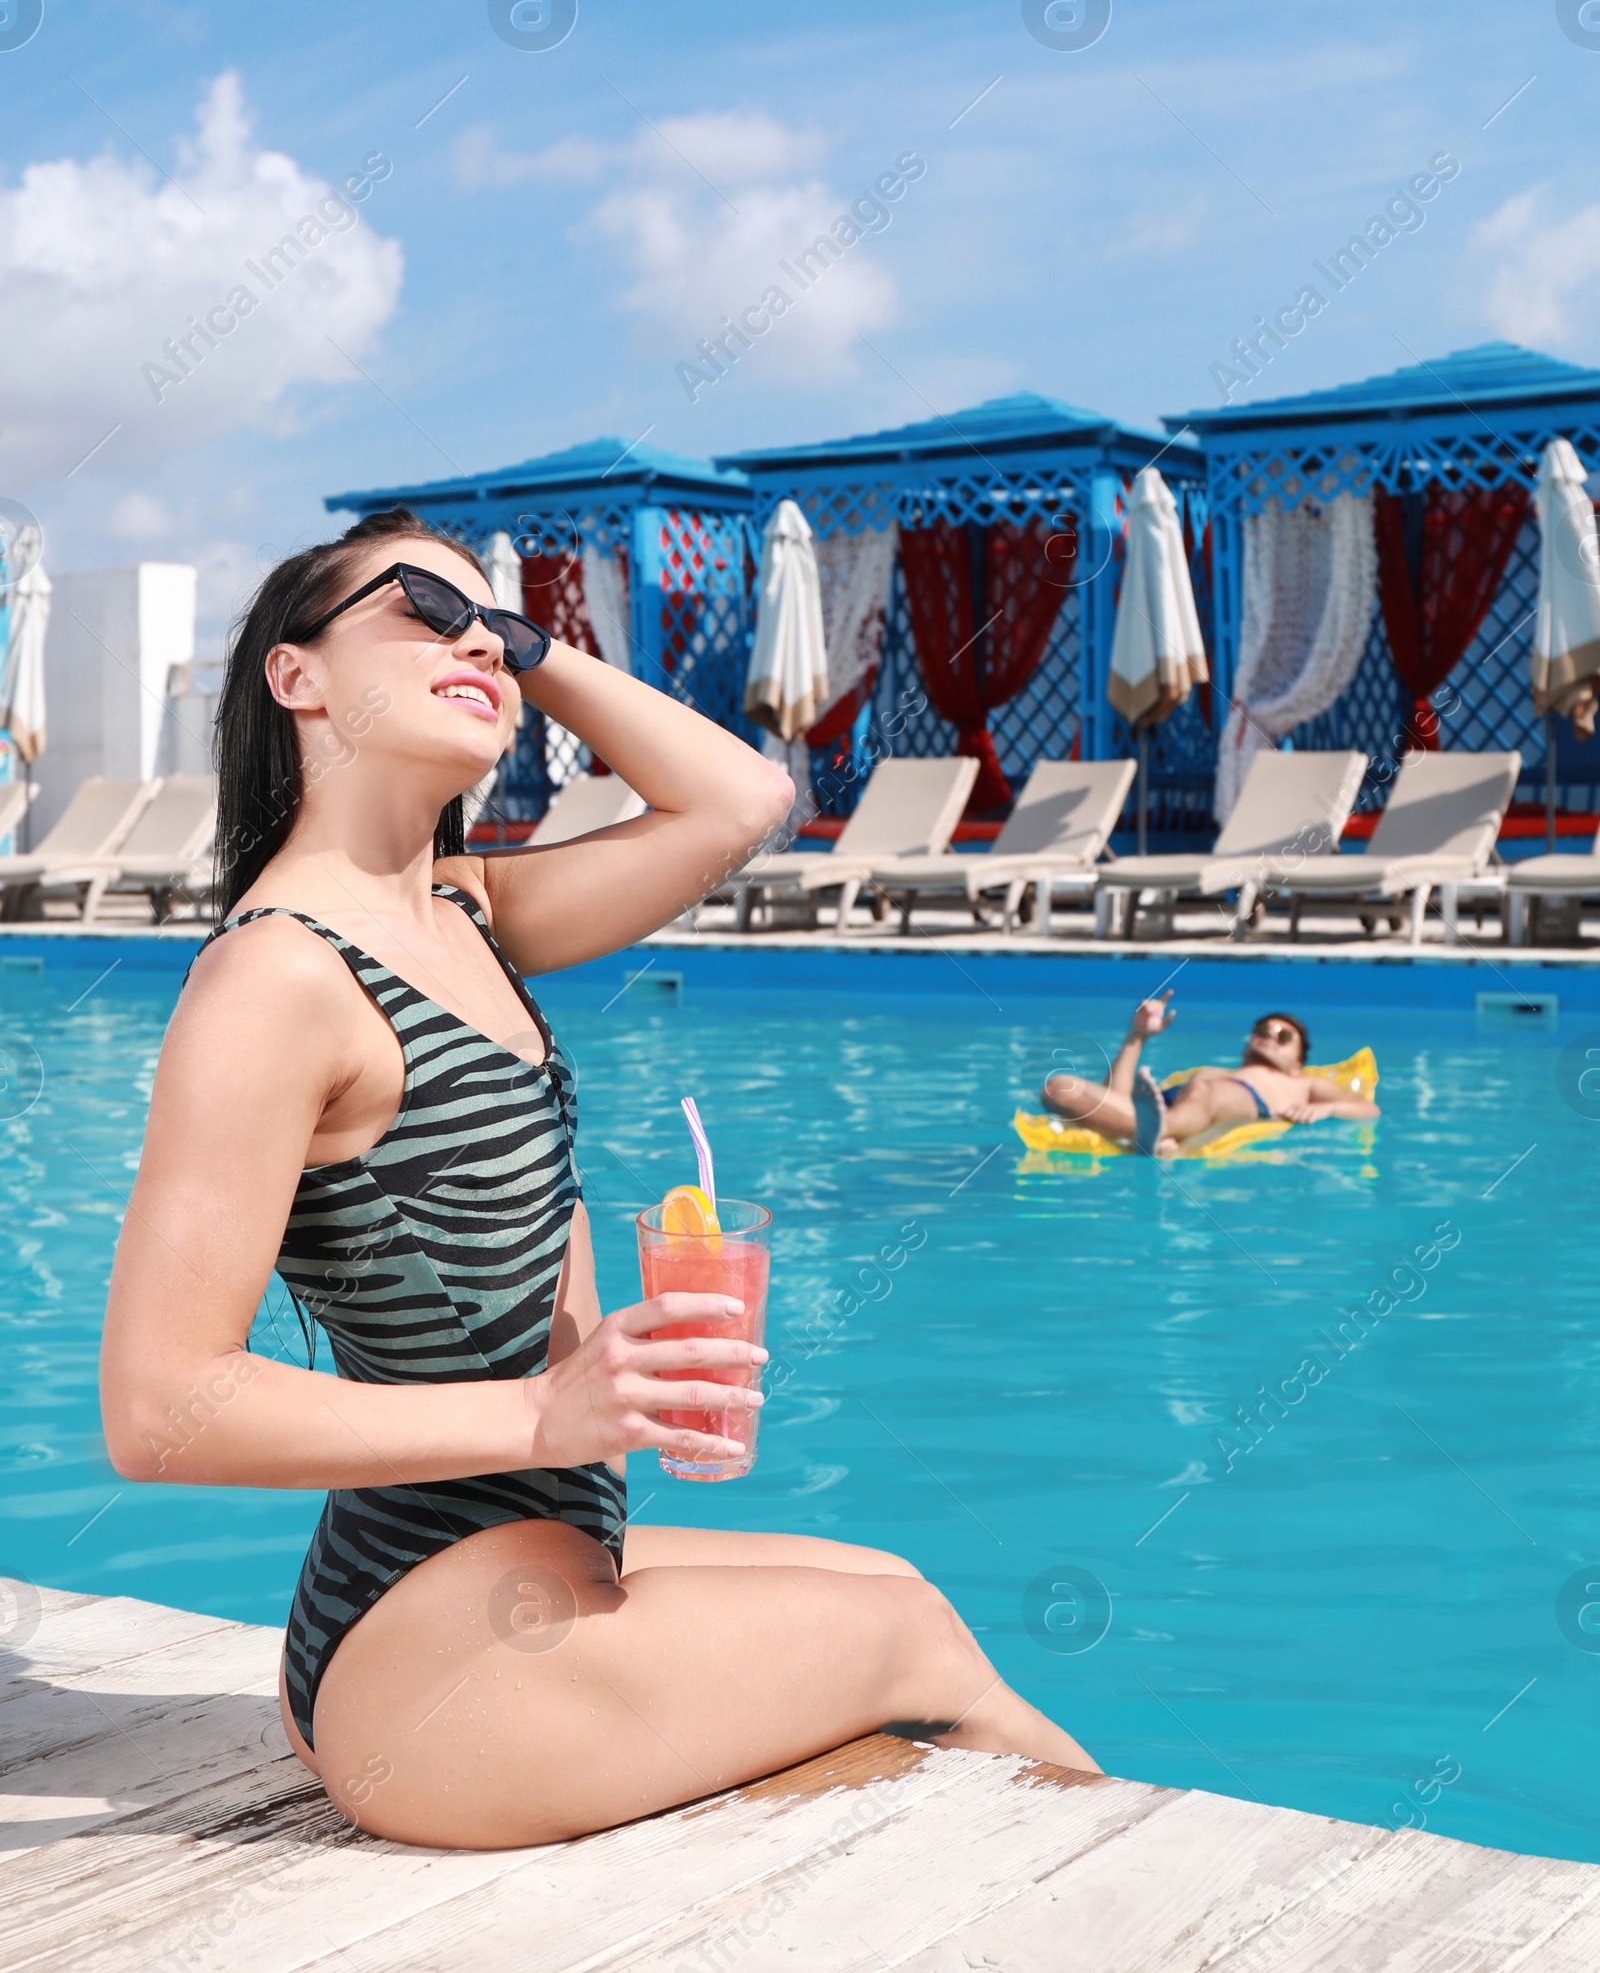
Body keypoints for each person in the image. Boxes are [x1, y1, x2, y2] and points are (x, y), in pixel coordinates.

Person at [99, 507, 1095, 1852]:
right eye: (422, 610)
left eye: (493, 627)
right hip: (435, 1663)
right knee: (915, 1644)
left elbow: (739, 802)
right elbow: (161, 1408)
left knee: (906, 1586)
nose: (476, 645)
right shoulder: (278, 975)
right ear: (299, 675)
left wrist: (535, 650)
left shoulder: (468, 914)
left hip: (530, 1561)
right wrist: (543, 1414)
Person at [1040, 991, 1379, 1158]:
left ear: (1297, 1063)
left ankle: (1158, 1131)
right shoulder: (1215, 1071)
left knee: (1205, 1089)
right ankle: (1153, 1132)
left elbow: (1369, 1109)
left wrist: (1327, 1108)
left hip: (1239, 1102)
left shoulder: (1302, 1082)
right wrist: (1136, 1037)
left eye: (1284, 1036)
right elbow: (1117, 1097)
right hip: (1175, 1106)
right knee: (1058, 1087)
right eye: (1263, 1028)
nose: (1270, 1035)